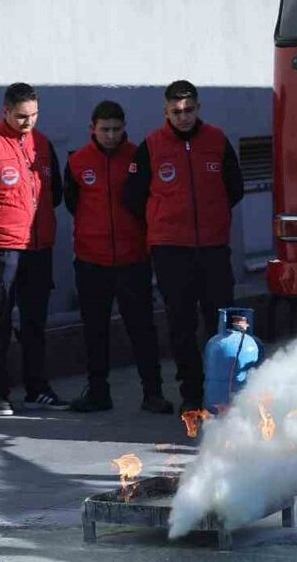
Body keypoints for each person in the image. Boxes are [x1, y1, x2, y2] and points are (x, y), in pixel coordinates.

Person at [125, 80, 244, 414]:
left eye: (189, 110)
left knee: (221, 321)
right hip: (170, 249)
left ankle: (223, 390)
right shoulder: (151, 146)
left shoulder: (217, 141)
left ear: (198, 108)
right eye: (176, 112)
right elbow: (133, 197)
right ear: (166, 112)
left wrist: (213, 218)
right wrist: (163, 221)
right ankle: (191, 392)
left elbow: (235, 188)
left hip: (213, 247)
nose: (183, 117)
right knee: (181, 324)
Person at [0, 83, 67, 416]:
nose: (28, 123)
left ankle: (37, 388)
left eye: (34, 115)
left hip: (38, 245)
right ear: (5, 111)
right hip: (4, 247)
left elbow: (56, 193)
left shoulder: (43, 144)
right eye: (21, 116)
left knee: (35, 321)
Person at [64, 101, 173, 414]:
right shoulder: (77, 162)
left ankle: (152, 392)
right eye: (104, 129)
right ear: (92, 129)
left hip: (132, 258)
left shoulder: (139, 157)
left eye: (116, 129)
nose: (111, 135)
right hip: (91, 260)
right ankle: (98, 392)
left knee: (142, 329)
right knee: (94, 331)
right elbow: (73, 204)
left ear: (125, 128)